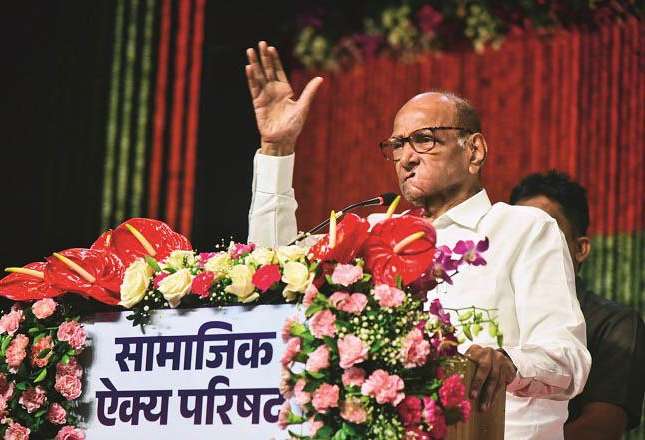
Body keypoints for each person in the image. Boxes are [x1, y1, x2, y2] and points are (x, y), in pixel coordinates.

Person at [245, 41, 590, 439]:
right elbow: (272, 271)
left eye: (424, 139)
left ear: (474, 150)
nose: (406, 157)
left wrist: (509, 362)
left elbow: (568, 360)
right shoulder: (371, 234)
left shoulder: (523, 229)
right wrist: (277, 150)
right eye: (396, 145)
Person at [510, 170, 645, 440]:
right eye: (518, 233)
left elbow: (601, 429)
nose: (530, 245)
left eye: (546, 232)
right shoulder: (495, 308)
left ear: (580, 249)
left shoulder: (615, 323)